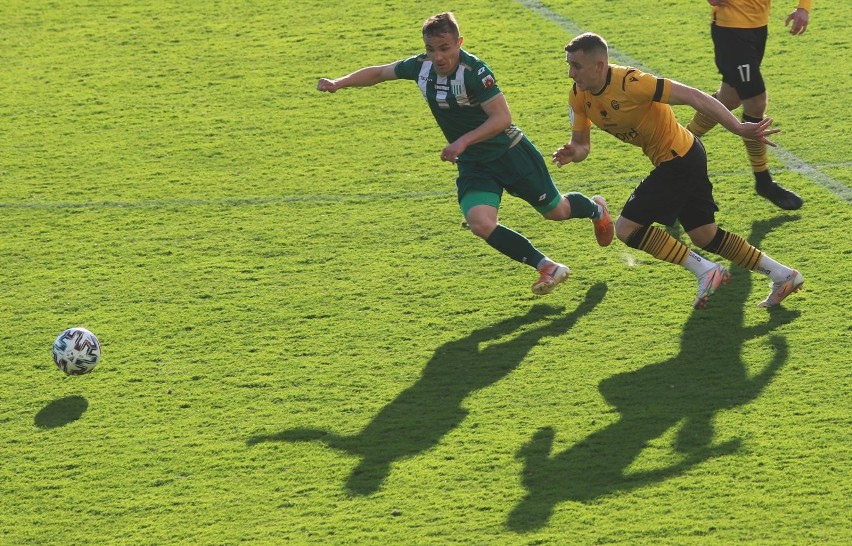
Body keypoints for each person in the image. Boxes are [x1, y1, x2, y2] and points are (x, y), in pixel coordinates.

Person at [316, 12, 613, 296]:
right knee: (480, 223)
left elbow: (502, 119)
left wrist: (461, 142)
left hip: (510, 153)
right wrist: (339, 83)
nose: (438, 57)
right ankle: (547, 267)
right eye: (431, 49)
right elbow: (380, 73)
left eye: (444, 48)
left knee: (557, 211)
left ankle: (595, 209)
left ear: (459, 43)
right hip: (475, 164)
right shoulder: (421, 66)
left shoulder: (475, 72)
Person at [553, 32, 803, 309]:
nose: (570, 73)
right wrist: (574, 152)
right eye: (569, 64)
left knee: (626, 229)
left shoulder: (632, 82)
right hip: (683, 157)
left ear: (599, 65)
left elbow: (693, 96)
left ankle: (706, 270)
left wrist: (737, 127)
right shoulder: (578, 95)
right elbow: (581, 145)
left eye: (576, 66)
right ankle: (784, 275)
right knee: (704, 235)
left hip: (679, 158)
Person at [686, 0, 813, 210]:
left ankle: (677, 140)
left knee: (729, 99)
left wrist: (803, 7)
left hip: (757, 27)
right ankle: (763, 180)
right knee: (756, 101)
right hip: (731, 30)